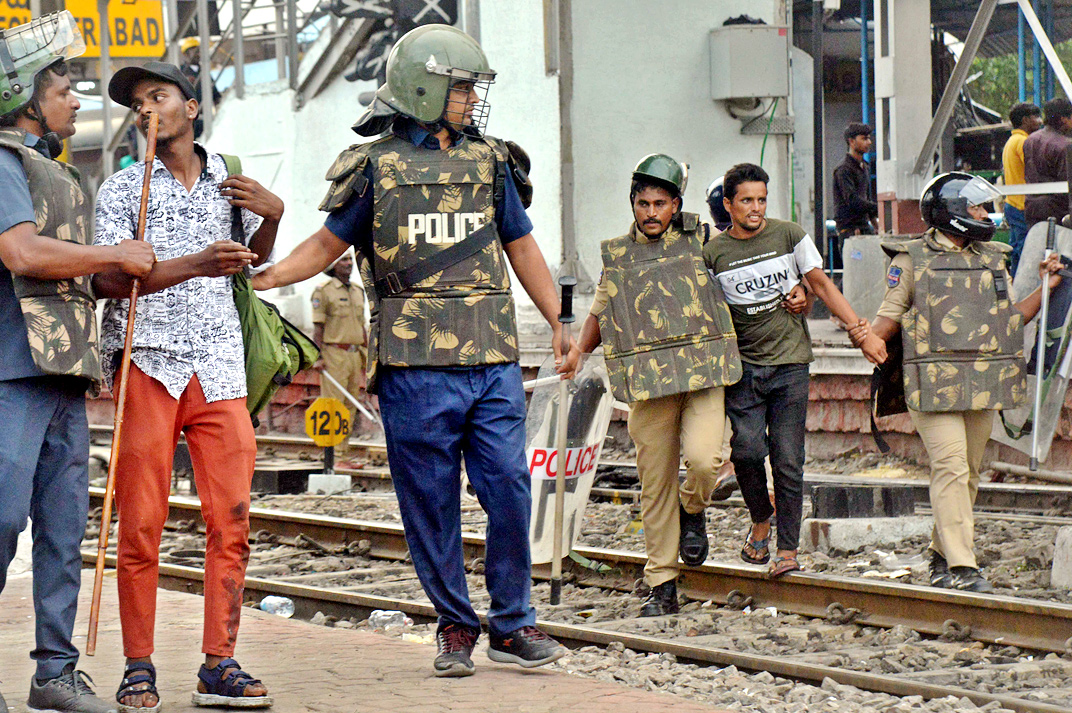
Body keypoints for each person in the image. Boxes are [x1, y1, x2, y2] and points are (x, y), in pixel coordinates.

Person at [253, 24, 571, 677]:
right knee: (429, 501)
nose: (472, 100)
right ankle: (456, 626)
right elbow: (327, 244)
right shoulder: (375, 167)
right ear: (424, 87)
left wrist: (560, 321)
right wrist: (269, 276)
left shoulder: (491, 163)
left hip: (491, 357)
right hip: (412, 364)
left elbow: (523, 247)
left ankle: (512, 623)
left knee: (510, 486)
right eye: (462, 88)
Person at [0, 13, 155, 713]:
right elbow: (25, 255)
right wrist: (111, 257)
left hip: (60, 369)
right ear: (25, 97)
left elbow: (77, 275)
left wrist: (140, 271)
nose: (75, 97)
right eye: (64, 84)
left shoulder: (58, 173)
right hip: (2, 372)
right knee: (3, 515)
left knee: (65, 526)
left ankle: (54, 671)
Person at [92, 61, 284, 711]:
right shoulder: (122, 190)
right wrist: (193, 265)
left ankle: (218, 662)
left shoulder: (230, 183)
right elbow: (112, 281)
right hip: (147, 359)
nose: (147, 109)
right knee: (140, 522)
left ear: (191, 107)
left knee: (230, 518)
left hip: (220, 363)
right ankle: (138, 663)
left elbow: (255, 268)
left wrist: (275, 216)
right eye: (137, 103)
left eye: (159, 97)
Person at [857, 172, 1062, 593]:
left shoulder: (993, 258)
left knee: (968, 472)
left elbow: (1009, 321)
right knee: (950, 466)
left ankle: (939, 555)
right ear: (951, 212)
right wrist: (866, 337)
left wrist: (1048, 283)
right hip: (931, 387)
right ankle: (964, 567)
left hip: (981, 384)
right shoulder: (910, 260)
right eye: (977, 208)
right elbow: (888, 319)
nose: (986, 214)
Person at [568, 154, 750, 616]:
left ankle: (693, 508)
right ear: (633, 204)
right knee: (654, 486)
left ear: (676, 205)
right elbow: (601, 308)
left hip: (703, 375)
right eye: (643, 203)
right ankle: (662, 583)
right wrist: (578, 352)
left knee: (707, 463)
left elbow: (740, 271)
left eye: (660, 203)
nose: (651, 212)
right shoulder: (619, 255)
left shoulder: (704, 239)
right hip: (649, 382)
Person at [702, 163, 885, 578]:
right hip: (743, 370)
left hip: (790, 365)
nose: (755, 208)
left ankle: (787, 549)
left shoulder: (788, 235)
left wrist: (861, 332)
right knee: (746, 451)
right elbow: (707, 312)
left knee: (788, 459)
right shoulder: (712, 255)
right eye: (746, 200)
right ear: (728, 204)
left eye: (762, 199)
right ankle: (760, 518)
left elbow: (820, 284)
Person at [311, 250, 369, 465]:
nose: (348, 264)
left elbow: (361, 325)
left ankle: (342, 455)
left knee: (351, 405)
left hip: (354, 354)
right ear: (332, 265)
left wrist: (367, 352)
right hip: (333, 353)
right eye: (343, 260)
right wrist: (317, 357)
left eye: (350, 259)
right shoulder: (323, 292)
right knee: (334, 406)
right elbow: (318, 327)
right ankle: (334, 457)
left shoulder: (357, 291)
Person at [1003, 102, 1042, 276]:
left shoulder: (1012, 140)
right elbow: (1035, 170)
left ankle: (1015, 289)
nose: (1040, 122)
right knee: (1026, 252)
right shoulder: (1023, 142)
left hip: (1013, 203)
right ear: (1025, 120)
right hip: (1021, 205)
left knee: (1017, 252)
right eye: (1036, 117)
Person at [832, 122, 878, 268]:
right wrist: (878, 208)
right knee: (854, 273)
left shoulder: (864, 167)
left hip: (864, 228)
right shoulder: (843, 170)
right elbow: (852, 200)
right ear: (851, 141)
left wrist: (875, 224)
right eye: (864, 138)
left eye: (869, 138)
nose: (869, 142)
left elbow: (866, 197)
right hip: (850, 231)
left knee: (869, 271)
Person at [1024, 97, 1072, 229]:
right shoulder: (1065, 145)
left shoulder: (1030, 139)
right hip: (1057, 212)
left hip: (1032, 207)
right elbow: (1067, 182)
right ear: (1063, 119)